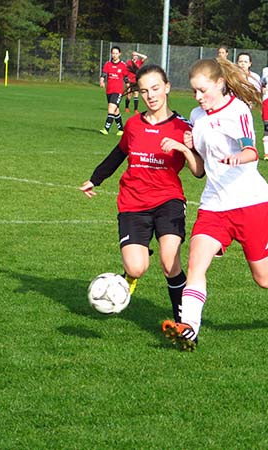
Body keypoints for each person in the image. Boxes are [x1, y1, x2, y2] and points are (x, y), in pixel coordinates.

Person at [161, 58, 268, 351]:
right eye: (194, 91)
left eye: (202, 90)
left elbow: (251, 151)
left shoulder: (238, 110)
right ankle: (190, 327)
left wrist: (237, 157)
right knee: (196, 265)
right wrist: (187, 146)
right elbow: (199, 170)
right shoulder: (197, 115)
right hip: (213, 206)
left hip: (250, 204)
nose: (197, 97)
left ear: (219, 84)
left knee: (264, 278)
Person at [80, 64, 205, 323]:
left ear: (167, 88)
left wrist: (183, 149)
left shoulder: (184, 127)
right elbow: (119, 153)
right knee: (136, 268)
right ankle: (129, 275)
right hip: (132, 202)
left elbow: (199, 171)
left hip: (168, 200)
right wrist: (96, 179)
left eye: (156, 89)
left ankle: (184, 323)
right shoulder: (134, 124)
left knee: (170, 263)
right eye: (144, 91)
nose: (150, 96)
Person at [99, 46, 128, 136]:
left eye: (116, 53)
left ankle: (106, 129)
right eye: (113, 53)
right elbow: (104, 74)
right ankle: (121, 130)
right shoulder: (108, 64)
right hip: (109, 91)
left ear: (119, 54)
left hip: (118, 91)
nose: (114, 55)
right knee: (115, 111)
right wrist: (102, 80)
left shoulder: (123, 65)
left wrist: (128, 86)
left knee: (111, 108)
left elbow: (126, 78)